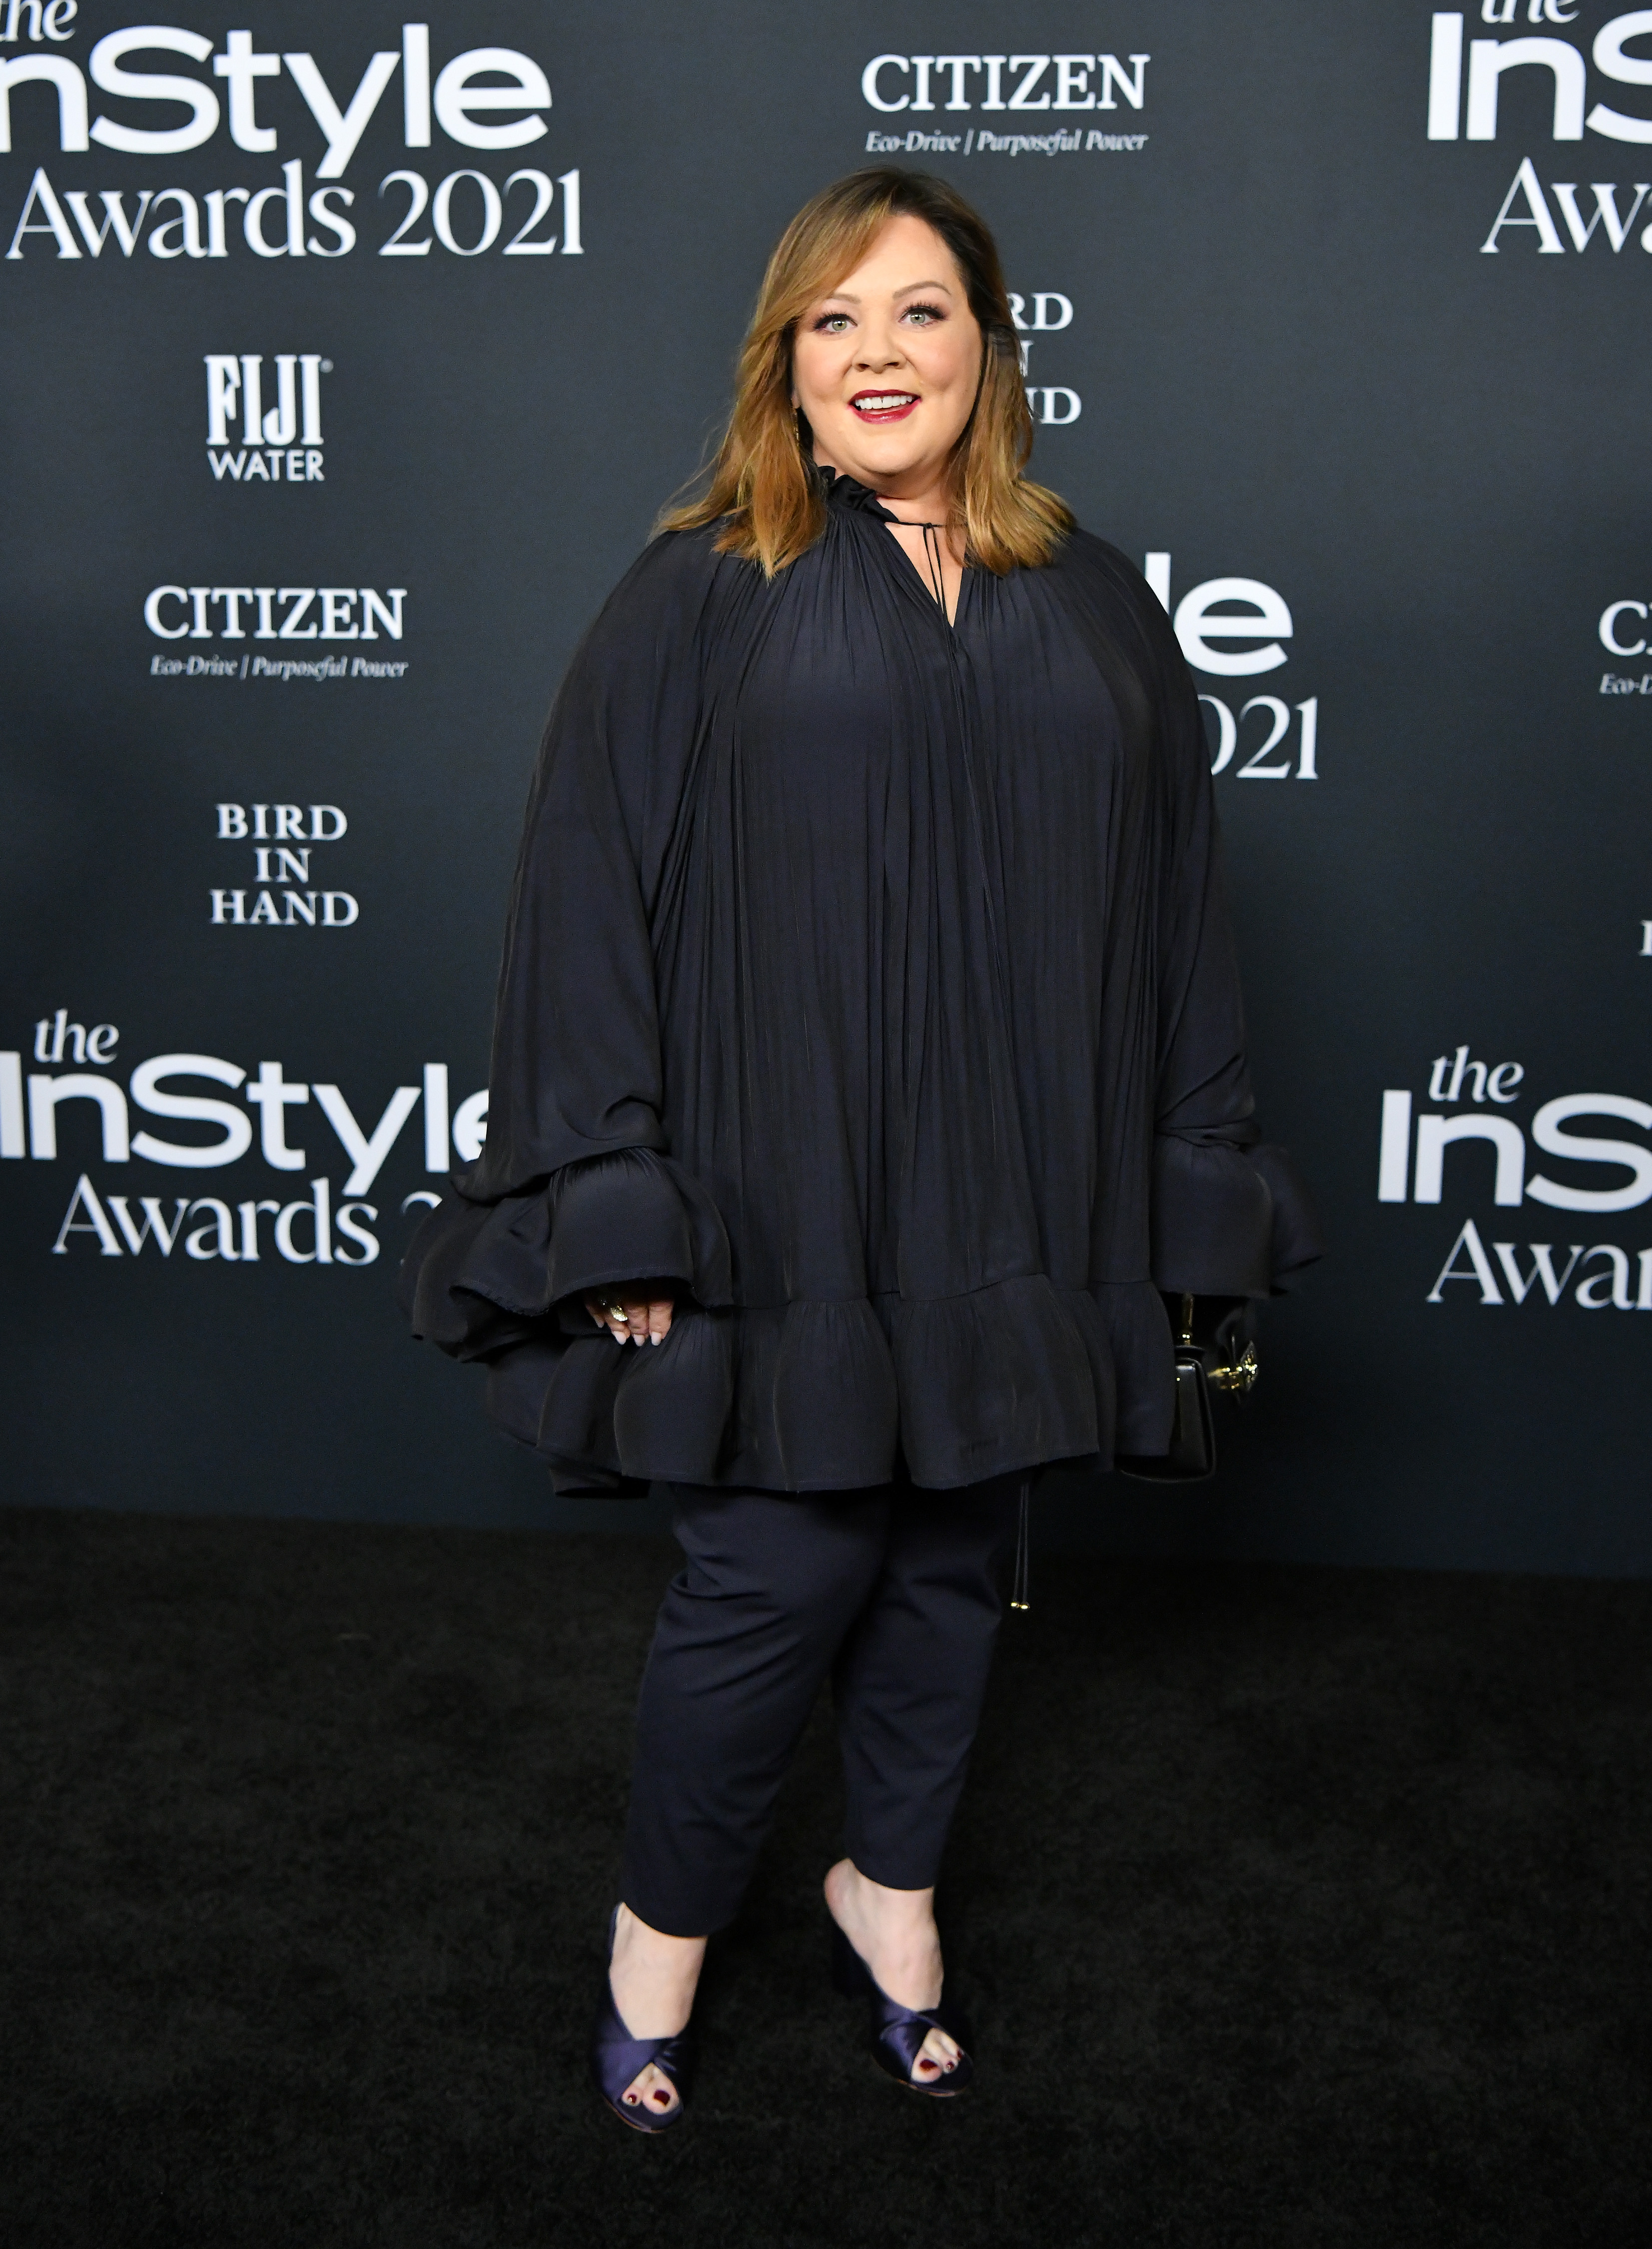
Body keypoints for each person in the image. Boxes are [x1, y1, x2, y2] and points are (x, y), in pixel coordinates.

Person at [400, 167, 1317, 2132]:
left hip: (1018, 1186)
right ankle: (660, 1944)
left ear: (988, 344)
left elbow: (1176, 905)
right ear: (783, 366)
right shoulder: (696, 587)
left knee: (949, 1562)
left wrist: (1182, 1187)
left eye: (914, 311)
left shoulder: (1088, 591)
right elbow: (579, 901)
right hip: (774, 1192)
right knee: (772, 1576)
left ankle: (882, 1894)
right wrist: (608, 1203)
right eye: (832, 321)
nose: (876, 352)